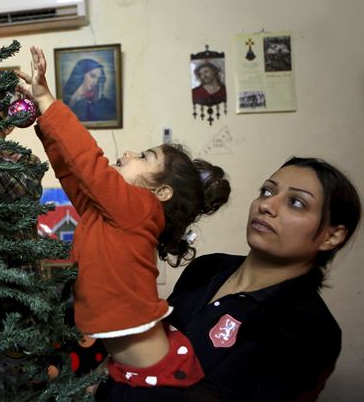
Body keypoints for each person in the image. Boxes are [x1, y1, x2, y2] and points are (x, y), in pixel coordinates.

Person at [16, 46, 231, 391]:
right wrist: (45, 124)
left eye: (145, 156)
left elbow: (88, 162)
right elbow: (74, 174)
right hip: (124, 367)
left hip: (159, 377)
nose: (129, 153)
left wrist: (49, 102)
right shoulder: (108, 213)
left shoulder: (141, 208)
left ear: (161, 193)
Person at [95, 157, 361, 401]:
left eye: (296, 203)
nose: (267, 205)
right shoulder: (207, 268)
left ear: (332, 236)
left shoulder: (308, 327)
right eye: (267, 191)